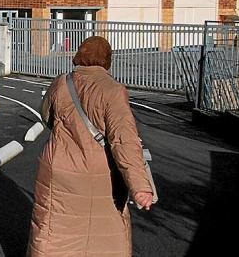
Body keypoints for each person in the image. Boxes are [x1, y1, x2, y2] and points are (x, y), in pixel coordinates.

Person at [29, 35, 154, 257]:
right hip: (100, 176)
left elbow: (46, 115)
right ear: (107, 60)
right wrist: (140, 187)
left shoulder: (61, 82)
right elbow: (123, 140)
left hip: (59, 172)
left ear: (79, 55)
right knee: (105, 235)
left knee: (54, 231)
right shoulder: (113, 90)